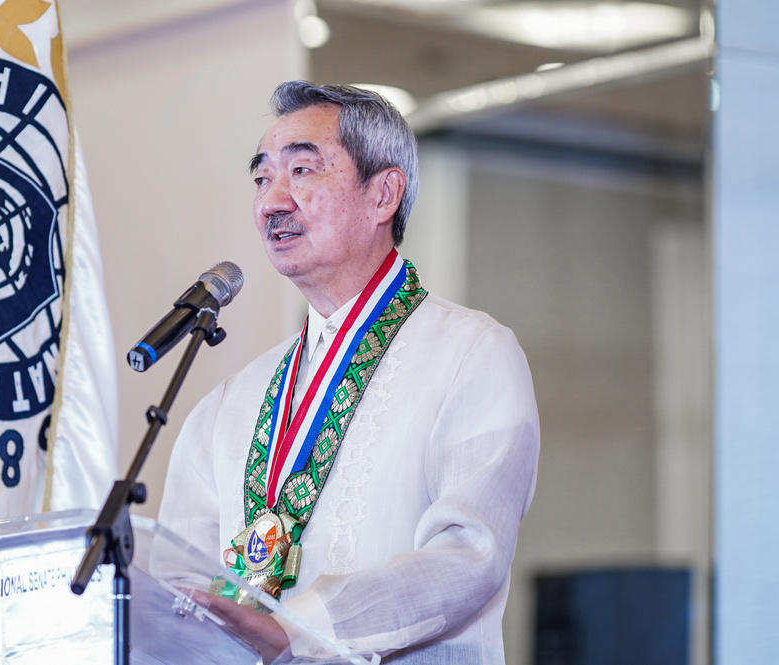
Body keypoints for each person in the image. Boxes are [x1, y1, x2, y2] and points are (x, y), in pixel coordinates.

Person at [158, 80, 540, 664]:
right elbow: (176, 583)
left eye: (303, 171)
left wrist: (299, 629)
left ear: (384, 194)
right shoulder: (229, 404)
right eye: (262, 178)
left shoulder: (471, 353)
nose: (272, 201)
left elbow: (469, 555)